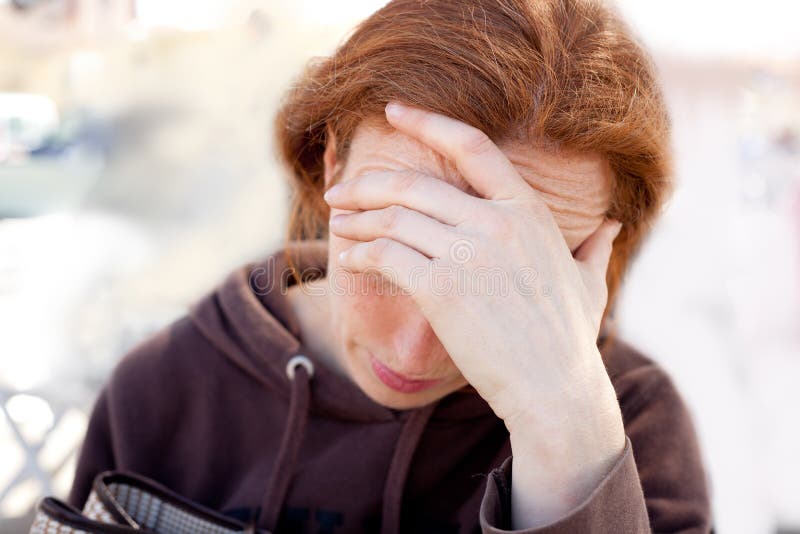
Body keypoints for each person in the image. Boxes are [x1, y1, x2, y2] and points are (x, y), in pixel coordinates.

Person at [67, 0, 712, 532]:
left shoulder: (631, 429)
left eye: (513, 280)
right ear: (333, 165)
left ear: (595, 255)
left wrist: (565, 430)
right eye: (394, 247)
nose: (414, 352)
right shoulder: (164, 392)